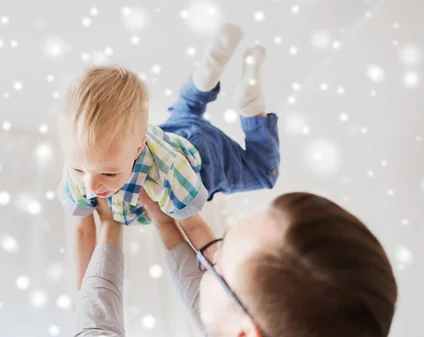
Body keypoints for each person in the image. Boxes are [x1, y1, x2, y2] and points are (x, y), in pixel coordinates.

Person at [73, 191, 398, 337]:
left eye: (219, 263)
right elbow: (234, 316)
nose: (207, 257)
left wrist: (109, 226)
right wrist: (165, 225)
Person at [56, 23, 280, 288]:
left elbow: (194, 226)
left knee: (263, 173)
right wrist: (81, 289)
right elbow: (82, 230)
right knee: (184, 111)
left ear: (137, 150)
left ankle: (251, 105)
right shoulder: (87, 162)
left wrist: (218, 267)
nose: (91, 186)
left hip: (206, 163)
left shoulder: (166, 175)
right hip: (174, 135)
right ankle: (205, 75)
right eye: (78, 169)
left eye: (108, 173)